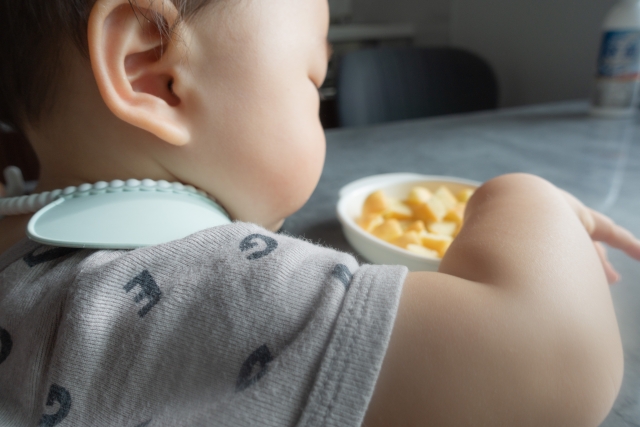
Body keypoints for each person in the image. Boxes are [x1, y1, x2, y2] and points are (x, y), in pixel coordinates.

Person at [1, 0, 639, 425]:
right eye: (314, 81)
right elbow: (552, 362)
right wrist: (526, 198)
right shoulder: (189, 288)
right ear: (154, 74)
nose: (319, 106)